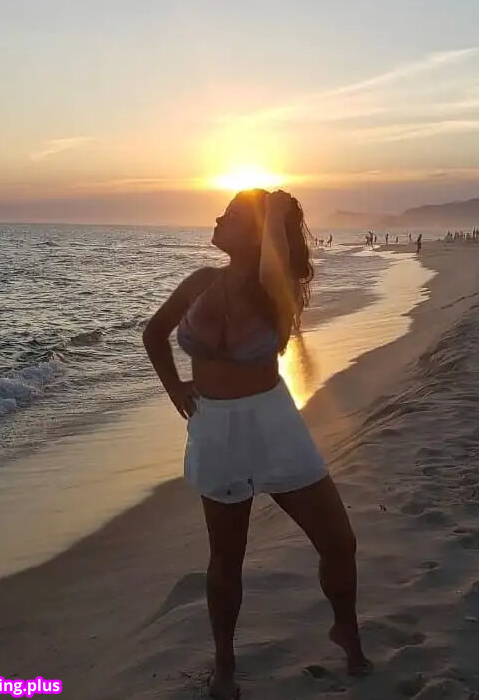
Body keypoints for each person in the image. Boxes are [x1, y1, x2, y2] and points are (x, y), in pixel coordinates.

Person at [143, 189, 371, 699]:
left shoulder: (276, 289)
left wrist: (275, 215)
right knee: (226, 558)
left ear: (257, 233)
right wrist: (174, 387)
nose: (217, 218)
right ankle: (224, 664)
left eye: (230, 215)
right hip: (217, 431)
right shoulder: (199, 282)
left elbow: (272, 269)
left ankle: (346, 630)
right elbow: (153, 333)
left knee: (339, 543)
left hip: (275, 426)